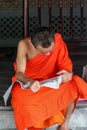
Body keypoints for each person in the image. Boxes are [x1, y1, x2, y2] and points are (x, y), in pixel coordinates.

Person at [11, 27, 87, 130]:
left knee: (72, 84)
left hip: (51, 80)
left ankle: (63, 125)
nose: (47, 55)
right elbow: (19, 73)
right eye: (43, 53)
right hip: (30, 82)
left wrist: (68, 74)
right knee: (22, 99)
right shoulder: (24, 45)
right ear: (34, 45)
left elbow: (67, 68)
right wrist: (30, 81)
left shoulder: (58, 41)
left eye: (50, 52)